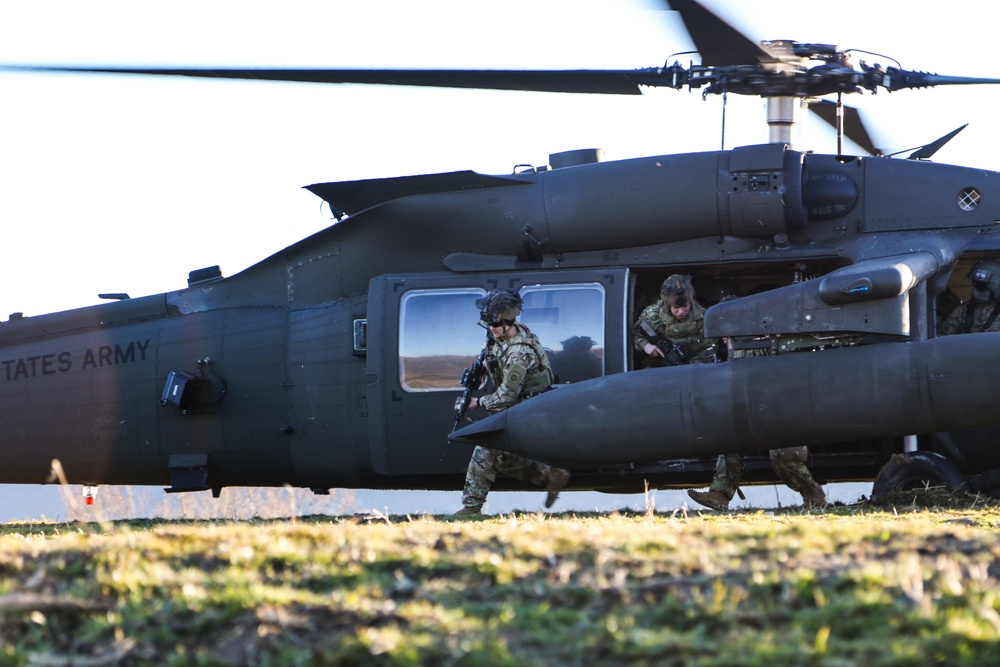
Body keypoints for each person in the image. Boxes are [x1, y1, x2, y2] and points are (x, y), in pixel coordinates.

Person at [454, 289, 571, 516]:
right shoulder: (501, 337)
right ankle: (550, 475)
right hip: (521, 406)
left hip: (531, 410)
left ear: (509, 321)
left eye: (496, 325)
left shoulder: (519, 353)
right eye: (489, 324)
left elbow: (506, 396)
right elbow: (494, 359)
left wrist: (478, 403)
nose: (491, 329)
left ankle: (471, 507)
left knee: (486, 448)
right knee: (502, 459)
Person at [687, 326, 827, 511]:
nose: (722, 338)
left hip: (779, 412)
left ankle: (814, 496)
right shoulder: (722, 349)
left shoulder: (763, 346)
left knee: (784, 455)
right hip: (749, 412)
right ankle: (720, 494)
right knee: (730, 446)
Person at [631, 274, 715, 367]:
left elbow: (710, 346)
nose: (681, 312)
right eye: (676, 307)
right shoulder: (652, 316)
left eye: (685, 306)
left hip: (693, 367)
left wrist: (691, 367)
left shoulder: (703, 316)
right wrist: (645, 345)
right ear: (667, 304)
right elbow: (634, 334)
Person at [939, 259, 1000, 335]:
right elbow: (945, 338)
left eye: (982, 286)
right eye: (976, 284)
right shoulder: (964, 309)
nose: (977, 290)